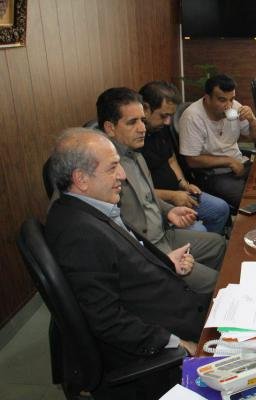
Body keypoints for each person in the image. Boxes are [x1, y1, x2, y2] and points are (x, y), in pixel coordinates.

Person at [45, 128, 204, 376]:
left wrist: (166, 262)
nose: (122, 175)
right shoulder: (79, 235)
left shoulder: (92, 207)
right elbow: (107, 320)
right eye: (112, 168)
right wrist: (179, 345)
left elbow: (123, 264)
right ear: (81, 179)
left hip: (173, 308)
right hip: (167, 338)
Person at [97, 87, 226, 294]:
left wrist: (169, 210)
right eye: (132, 122)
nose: (142, 128)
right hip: (147, 249)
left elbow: (148, 197)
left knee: (219, 244)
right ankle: (190, 294)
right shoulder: (104, 169)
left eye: (142, 120)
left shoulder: (136, 154)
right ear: (110, 128)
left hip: (164, 234)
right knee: (217, 283)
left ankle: (188, 295)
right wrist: (159, 257)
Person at [138, 80, 230, 234]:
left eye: (170, 116)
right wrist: (172, 196)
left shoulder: (160, 127)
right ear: (145, 109)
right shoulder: (134, 139)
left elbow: (171, 159)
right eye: (164, 115)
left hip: (177, 193)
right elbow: (137, 191)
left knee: (220, 209)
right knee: (199, 230)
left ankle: (207, 245)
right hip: (156, 202)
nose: (168, 122)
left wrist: (184, 184)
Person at [179, 74, 256, 210]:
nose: (229, 106)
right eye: (222, 100)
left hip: (240, 164)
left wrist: (252, 120)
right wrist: (228, 161)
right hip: (213, 175)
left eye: (232, 99)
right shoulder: (192, 117)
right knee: (250, 201)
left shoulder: (235, 107)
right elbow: (191, 160)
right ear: (207, 98)